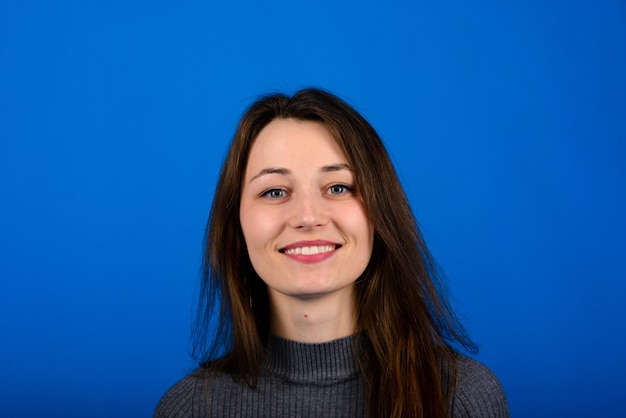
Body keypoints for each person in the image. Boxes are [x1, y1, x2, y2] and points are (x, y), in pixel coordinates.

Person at [155, 88, 509, 417]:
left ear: (379, 214)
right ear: (237, 223)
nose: (308, 217)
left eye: (338, 187)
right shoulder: (190, 409)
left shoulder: (463, 396)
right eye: (275, 192)